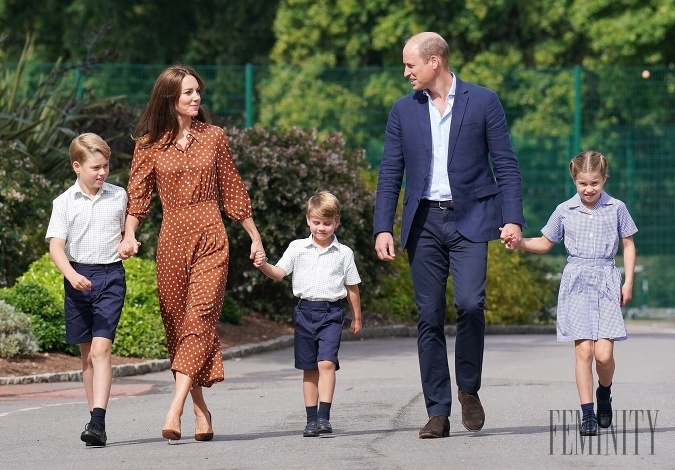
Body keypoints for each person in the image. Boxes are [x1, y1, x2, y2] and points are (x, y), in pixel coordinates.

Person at [373, 32, 526, 438]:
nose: (405, 72)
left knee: (471, 304)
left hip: (473, 218)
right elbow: (390, 172)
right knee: (428, 316)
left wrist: (512, 219)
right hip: (423, 222)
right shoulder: (403, 110)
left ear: (434, 62)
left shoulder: (484, 101)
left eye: (411, 65)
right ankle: (437, 410)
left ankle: (469, 389)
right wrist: (382, 227)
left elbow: (506, 165)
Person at [118, 65, 264, 443]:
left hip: (211, 236)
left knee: (199, 319)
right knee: (179, 327)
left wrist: (254, 236)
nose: (196, 98)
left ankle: (174, 408)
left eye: (198, 91)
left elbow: (232, 189)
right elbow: (137, 197)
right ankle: (201, 409)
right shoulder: (149, 143)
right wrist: (130, 235)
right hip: (171, 242)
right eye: (188, 93)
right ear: (170, 98)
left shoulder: (213, 137)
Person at [503, 150, 637, 436]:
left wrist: (627, 282)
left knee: (603, 355)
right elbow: (544, 242)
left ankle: (604, 391)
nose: (589, 189)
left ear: (604, 179)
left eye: (595, 183)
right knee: (584, 351)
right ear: (574, 180)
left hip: (605, 280)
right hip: (576, 282)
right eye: (583, 184)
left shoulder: (617, 207)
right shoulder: (565, 210)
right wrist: (519, 243)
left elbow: (628, 244)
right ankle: (587, 414)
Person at [253, 190, 362, 437]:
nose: (321, 228)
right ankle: (311, 420)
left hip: (331, 313)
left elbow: (352, 286)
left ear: (337, 222)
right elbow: (279, 273)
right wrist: (262, 265)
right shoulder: (297, 248)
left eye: (327, 223)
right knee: (309, 368)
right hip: (304, 312)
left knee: (326, 363)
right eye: (316, 222)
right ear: (308, 220)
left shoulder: (343, 253)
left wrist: (357, 317)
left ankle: (324, 417)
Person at [46, 133, 130, 447]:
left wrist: (129, 241)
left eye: (106, 166)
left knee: (100, 350)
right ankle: (96, 423)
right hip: (77, 278)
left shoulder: (119, 196)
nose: (102, 172)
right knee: (87, 358)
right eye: (96, 167)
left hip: (110, 278)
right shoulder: (64, 202)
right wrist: (70, 274)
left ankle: (97, 421)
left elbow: (126, 232)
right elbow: (56, 247)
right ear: (77, 167)